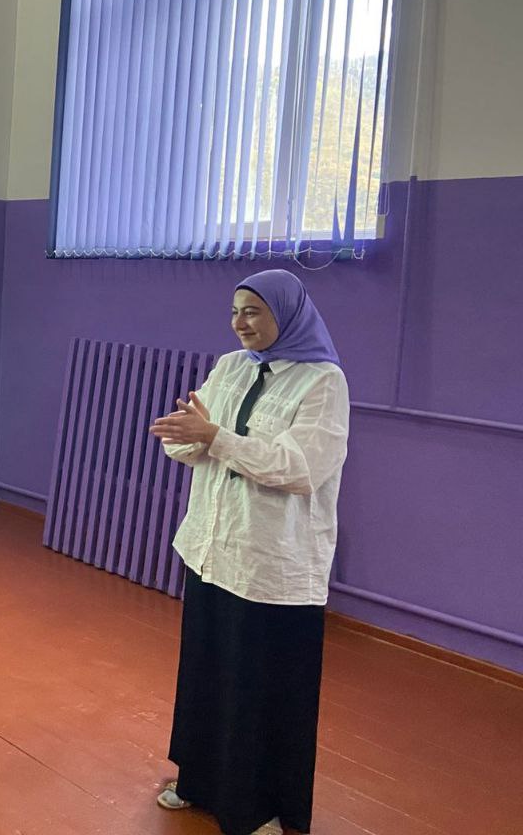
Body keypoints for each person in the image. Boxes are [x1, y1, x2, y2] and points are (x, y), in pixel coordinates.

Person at [148, 269, 350, 835]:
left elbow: (300, 468)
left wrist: (215, 438)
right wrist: (187, 435)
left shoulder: (322, 382)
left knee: (259, 688)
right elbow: (191, 444)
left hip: (271, 564)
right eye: (235, 311)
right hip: (213, 549)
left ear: (286, 313)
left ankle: (257, 805)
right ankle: (198, 780)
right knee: (207, 674)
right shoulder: (231, 366)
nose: (240, 322)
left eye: (254, 311)